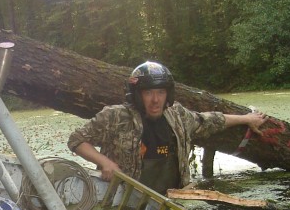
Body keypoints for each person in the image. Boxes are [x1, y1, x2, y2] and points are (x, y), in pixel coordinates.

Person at [68, 61, 267, 195]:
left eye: (161, 92)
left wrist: (246, 119)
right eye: (148, 93)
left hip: (173, 199)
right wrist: (105, 162)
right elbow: (77, 140)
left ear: (167, 94)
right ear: (137, 95)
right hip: (127, 198)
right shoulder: (115, 116)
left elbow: (209, 121)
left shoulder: (178, 116)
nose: (155, 100)